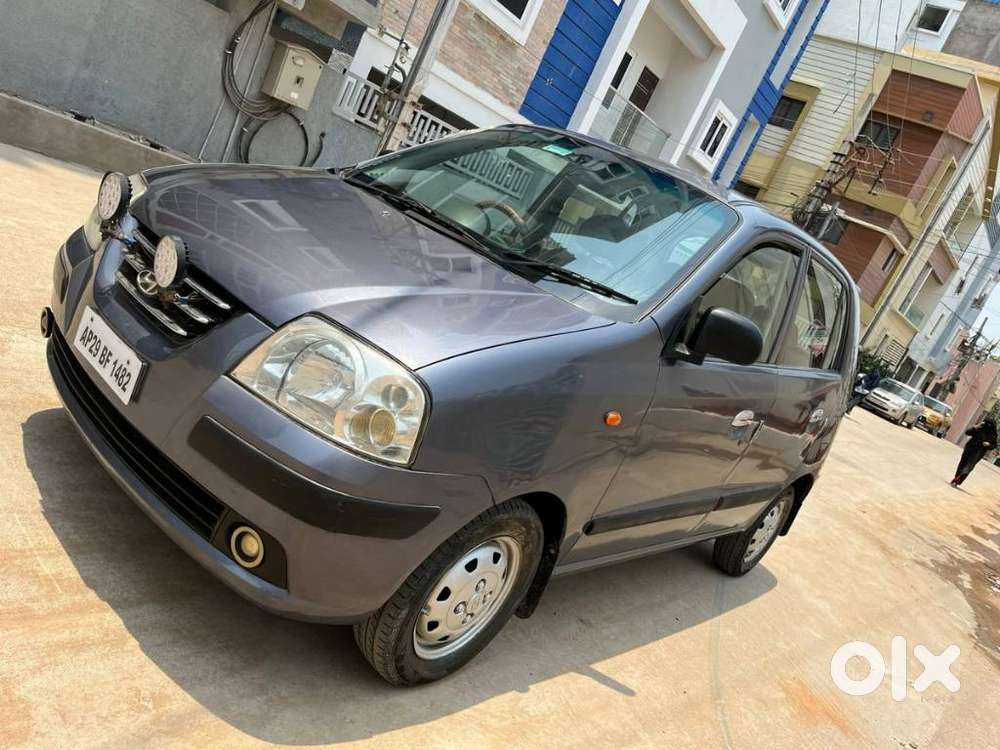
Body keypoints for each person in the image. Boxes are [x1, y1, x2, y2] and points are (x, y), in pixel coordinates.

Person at [950, 416, 998, 487]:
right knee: (962, 463)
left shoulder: (993, 434)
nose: (987, 426)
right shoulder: (980, 428)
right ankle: (956, 477)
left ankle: (959, 479)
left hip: (979, 452)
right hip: (969, 448)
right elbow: (967, 432)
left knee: (969, 466)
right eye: (986, 423)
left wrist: (988, 444)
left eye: (990, 424)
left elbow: (994, 445)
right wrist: (975, 427)